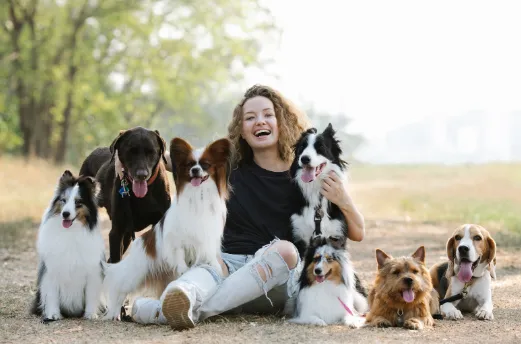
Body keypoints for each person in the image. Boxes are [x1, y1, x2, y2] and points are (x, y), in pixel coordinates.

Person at [129, 85, 366, 330]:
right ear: (241, 129)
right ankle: (181, 298)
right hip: (227, 267)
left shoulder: (304, 176)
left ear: (280, 121)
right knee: (210, 262)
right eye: (250, 118)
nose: (259, 122)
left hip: (277, 278)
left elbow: (358, 233)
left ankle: (162, 311)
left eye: (267, 115)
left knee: (285, 251)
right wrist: (119, 158)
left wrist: (343, 199)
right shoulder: (226, 169)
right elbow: (166, 158)